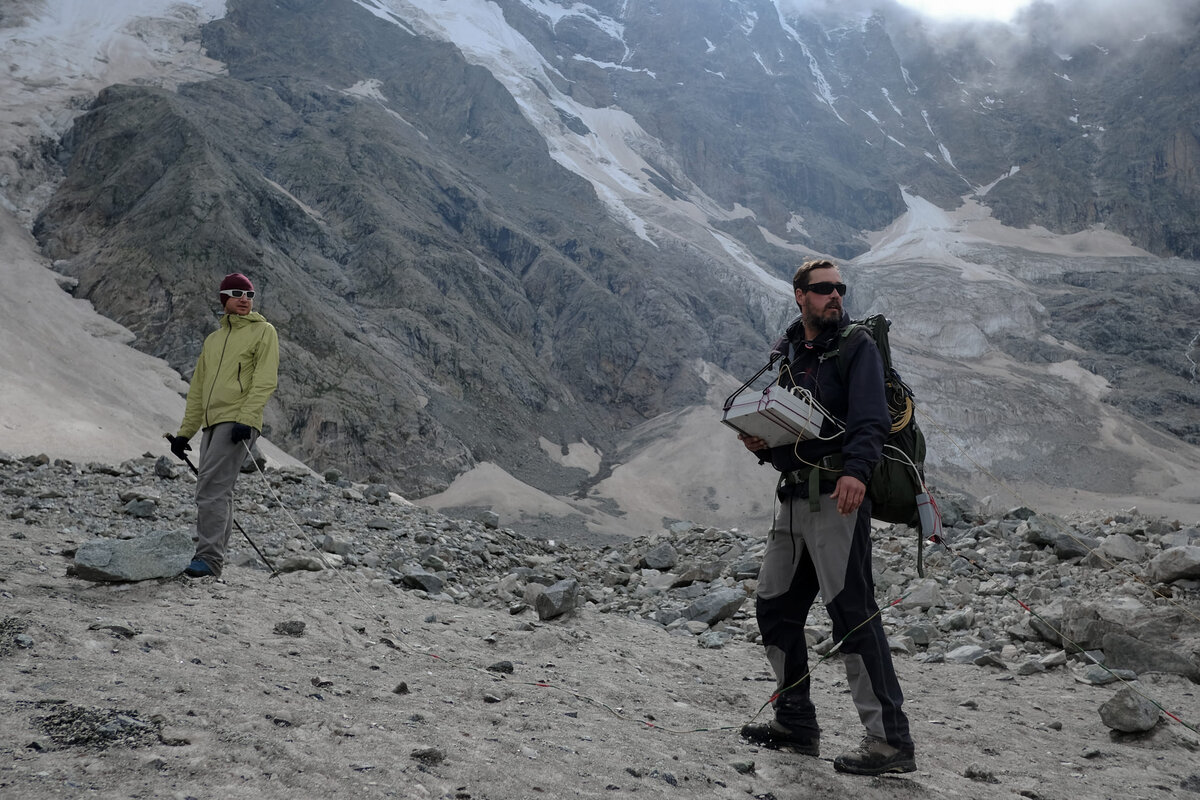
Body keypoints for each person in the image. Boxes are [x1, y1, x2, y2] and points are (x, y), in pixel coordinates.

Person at [736, 259, 916, 776]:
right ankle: (795, 722)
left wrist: (857, 472)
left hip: (839, 498)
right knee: (773, 608)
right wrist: (762, 445)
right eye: (823, 289)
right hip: (793, 498)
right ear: (800, 295)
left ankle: (890, 741)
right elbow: (795, 433)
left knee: (852, 615)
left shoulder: (856, 347)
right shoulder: (790, 352)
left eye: (839, 288)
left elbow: (871, 418)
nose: (834, 295)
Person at [166, 273, 279, 578]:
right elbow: (199, 391)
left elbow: (265, 380)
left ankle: (208, 560)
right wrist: (184, 433)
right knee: (217, 489)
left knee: (211, 489)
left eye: (250, 294)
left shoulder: (264, 332)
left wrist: (246, 418)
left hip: (238, 421)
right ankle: (211, 557)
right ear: (223, 298)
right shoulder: (213, 341)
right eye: (237, 292)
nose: (245, 299)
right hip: (212, 423)